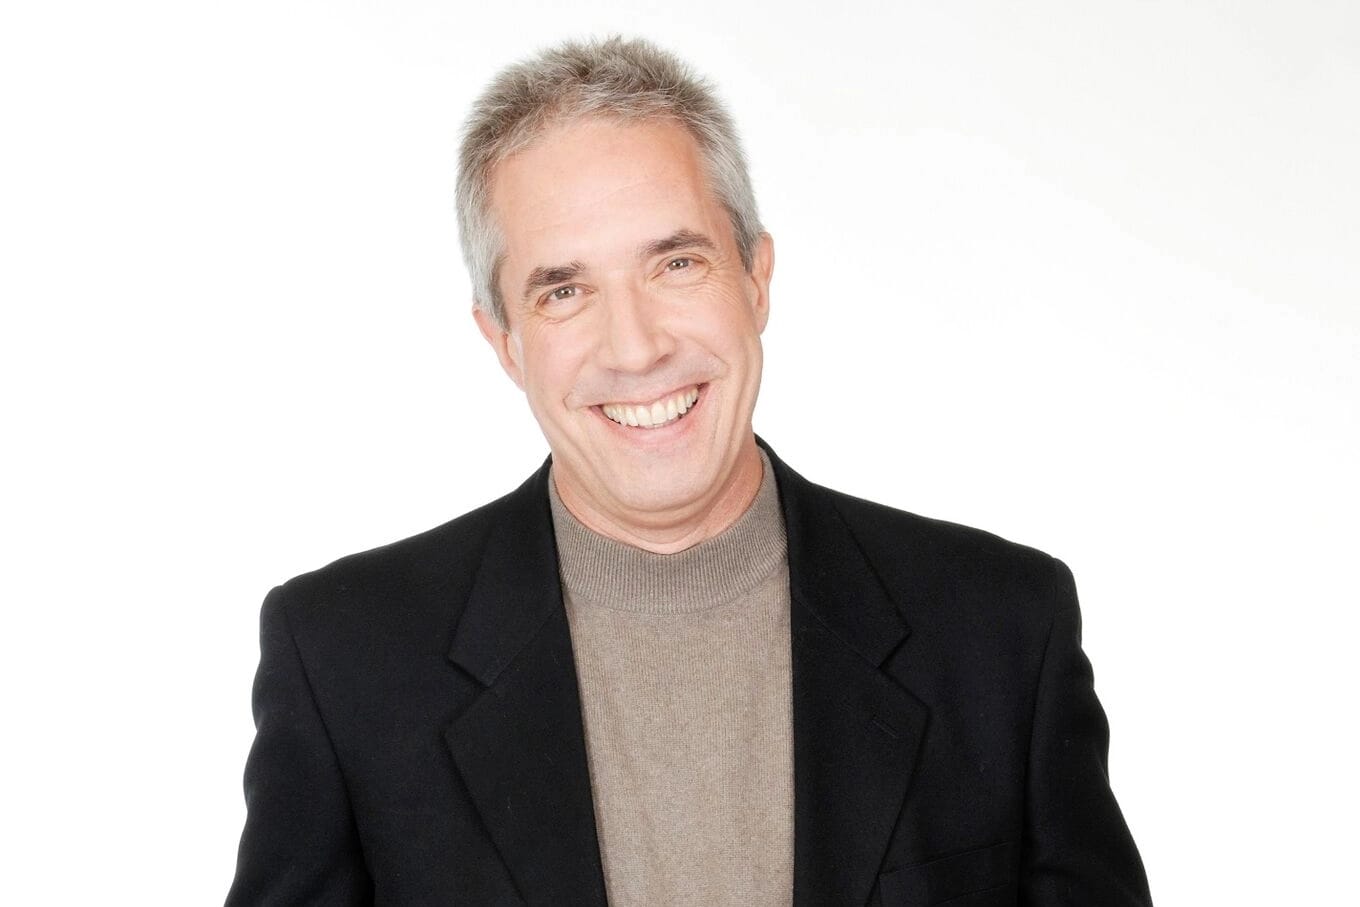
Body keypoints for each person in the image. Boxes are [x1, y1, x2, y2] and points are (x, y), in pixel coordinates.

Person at [226, 35, 1153, 907]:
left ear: (756, 277)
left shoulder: (1000, 631)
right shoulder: (345, 662)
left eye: (675, 263)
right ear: (503, 341)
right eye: (564, 290)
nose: (636, 348)